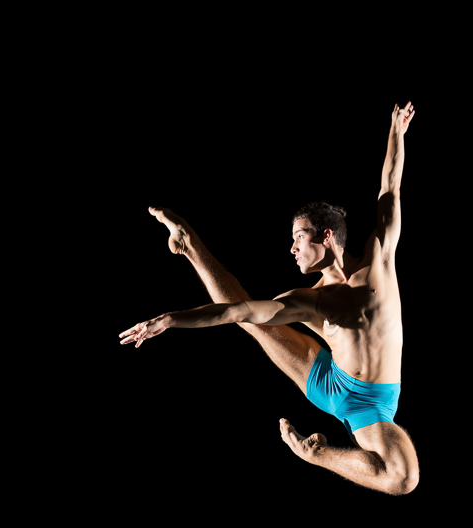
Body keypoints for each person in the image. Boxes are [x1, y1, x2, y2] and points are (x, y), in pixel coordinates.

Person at [121, 102, 419, 495]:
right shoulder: (311, 299)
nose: (292, 248)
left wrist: (396, 132)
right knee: (252, 323)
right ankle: (190, 245)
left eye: (299, 237)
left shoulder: (379, 259)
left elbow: (390, 188)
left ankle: (316, 454)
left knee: (402, 478)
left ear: (326, 236)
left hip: (371, 405)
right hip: (328, 381)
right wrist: (172, 319)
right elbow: (239, 310)